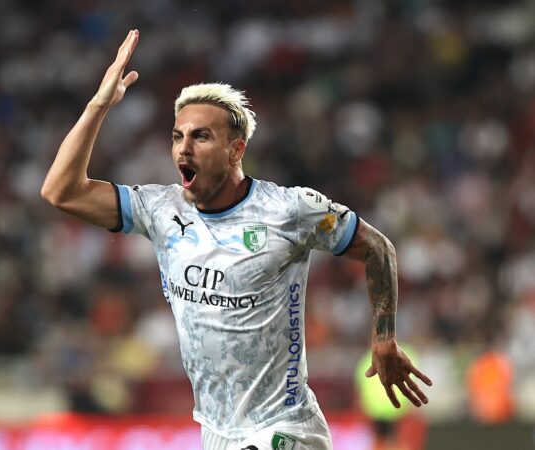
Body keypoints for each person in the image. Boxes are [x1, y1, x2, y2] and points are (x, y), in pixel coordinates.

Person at [41, 29, 432, 450]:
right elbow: (61, 191)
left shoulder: (289, 211)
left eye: (201, 136)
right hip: (217, 432)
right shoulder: (160, 211)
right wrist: (98, 106)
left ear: (235, 150)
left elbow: (378, 248)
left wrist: (384, 337)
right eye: (177, 136)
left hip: (286, 429)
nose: (183, 149)